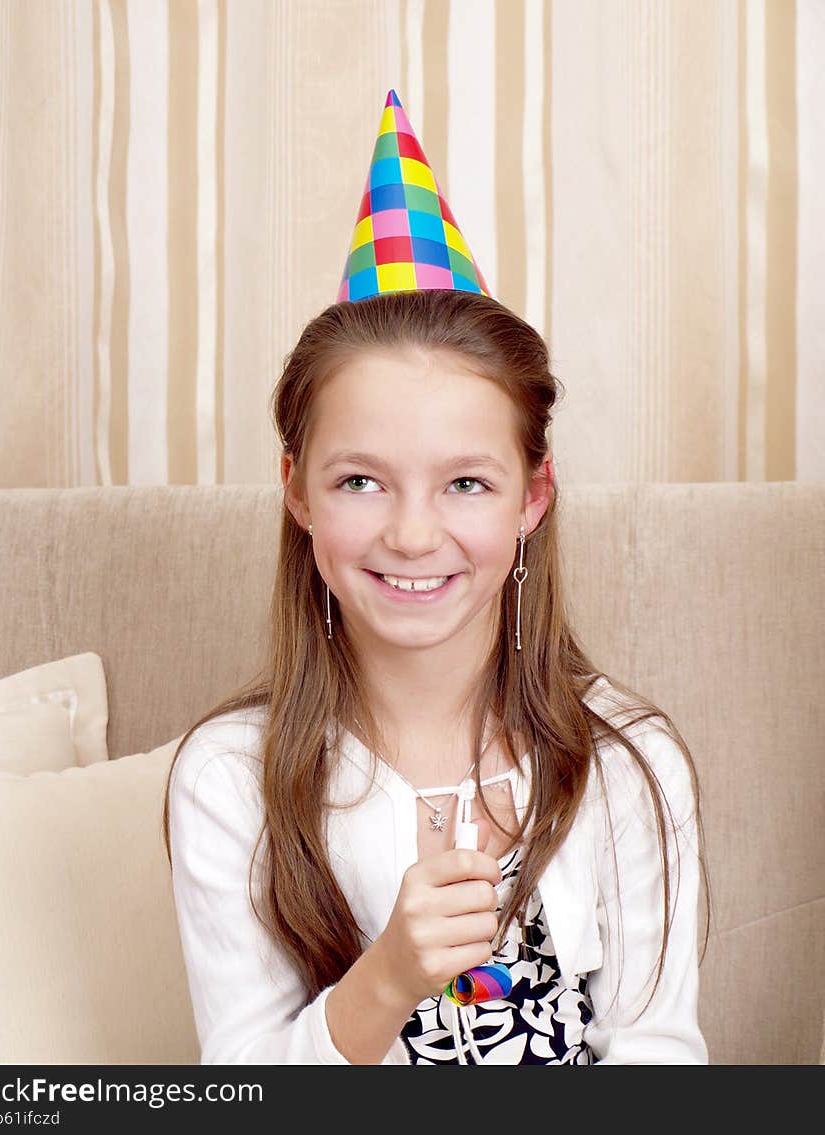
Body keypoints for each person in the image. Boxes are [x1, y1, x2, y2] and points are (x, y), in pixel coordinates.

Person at [163, 90, 710, 1066]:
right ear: (296, 491)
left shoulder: (626, 763)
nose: (413, 535)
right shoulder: (229, 779)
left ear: (531, 496)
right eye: (361, 480)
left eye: (465, 482)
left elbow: (661, 1054)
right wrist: (382, 982)